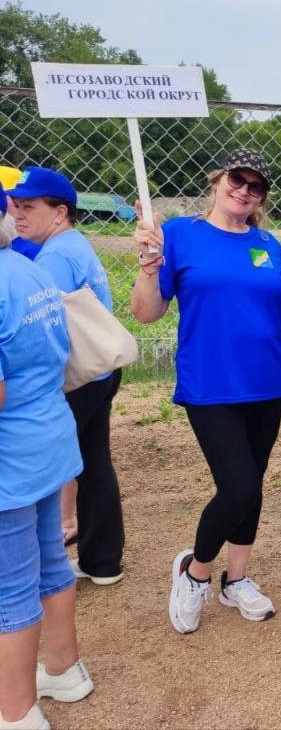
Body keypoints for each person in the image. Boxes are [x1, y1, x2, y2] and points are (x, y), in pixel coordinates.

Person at [131, 149, 281, 633]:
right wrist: (148, 263)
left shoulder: (269, 244)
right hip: (210, 384)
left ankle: (235, 580)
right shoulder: (179, 235)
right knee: (239, 485)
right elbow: (146, 313)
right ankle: (195, 572)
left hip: (266, 383)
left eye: (256, 186)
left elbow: (278, 316)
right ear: (217, 180)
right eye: (237, 179)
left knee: (253, 484)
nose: (244, 191)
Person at [1, 185, 95, 730]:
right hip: (47, 436)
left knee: (9, 585)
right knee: (50, 560)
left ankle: (16, 711)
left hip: (10, 456)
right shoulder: (29, 268)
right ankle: (63, 668)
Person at [8, 168, 124, 586]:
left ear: (60, 212)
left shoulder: (54, 257)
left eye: (29, 207)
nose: (18, 215)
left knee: (55, 464)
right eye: (16, 206)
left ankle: (45, 565)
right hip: (101, 366)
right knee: (94, 464)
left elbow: (44, 330)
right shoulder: (73, 243)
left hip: (78, 374)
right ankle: (102, 562)